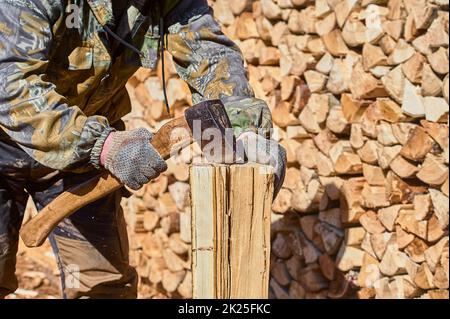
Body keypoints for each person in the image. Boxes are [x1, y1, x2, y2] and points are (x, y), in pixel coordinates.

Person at [0, 0, 286, 298]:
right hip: (7, 140)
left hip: (80, 159)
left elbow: (210, 55)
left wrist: (245, 130)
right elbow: (10, 86)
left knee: (103, 289)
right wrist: (103, 145)